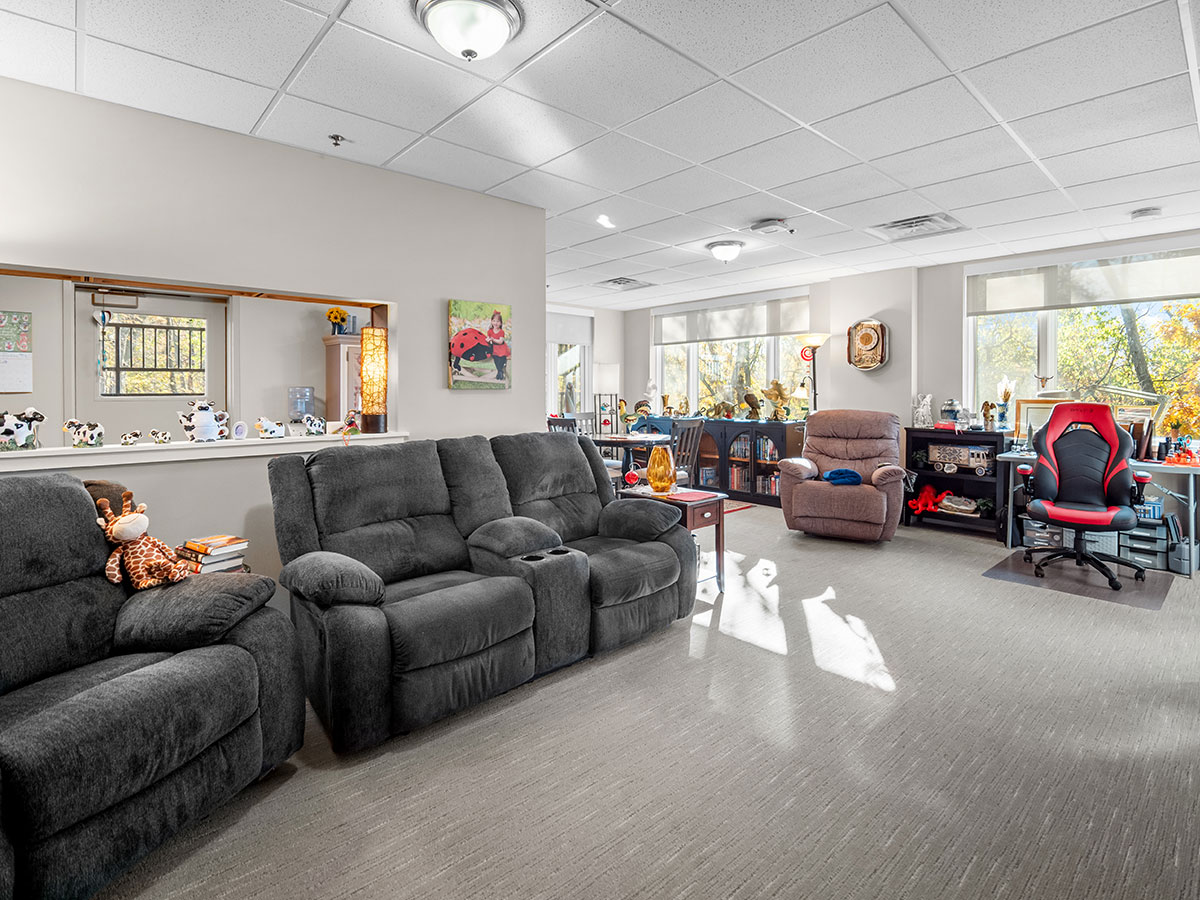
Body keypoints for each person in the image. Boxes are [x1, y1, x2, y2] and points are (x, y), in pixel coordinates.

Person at [487, 309, 509, 382]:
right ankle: (500, 371)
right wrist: (488, 340)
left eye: (498, 321)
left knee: (502, 358)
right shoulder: (489, 331)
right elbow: (488, 339)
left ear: (501, 323)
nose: (495, 323)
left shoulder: (501, 331)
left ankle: (500, 370)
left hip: (501, 347)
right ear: (491, 321)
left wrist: (493, 339)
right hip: (494, 348)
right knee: (496, 358)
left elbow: (500, 341)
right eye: (494, 321)